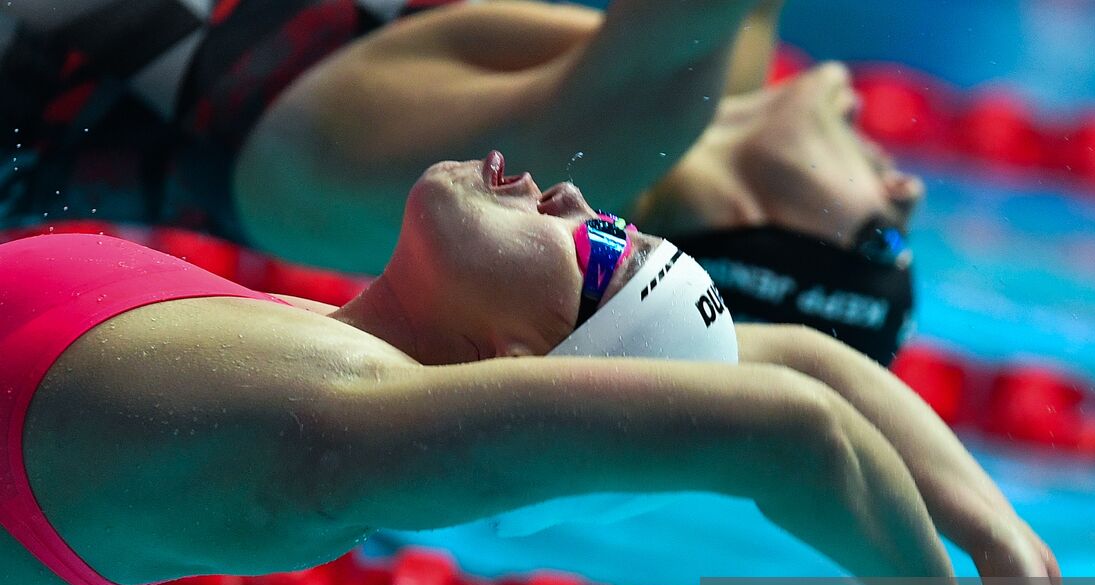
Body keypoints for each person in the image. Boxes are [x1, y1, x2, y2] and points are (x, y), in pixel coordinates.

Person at [0, 152, 1095, 585]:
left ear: (525, 367)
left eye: (598, 251)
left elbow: (789, 424)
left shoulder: (320, 426)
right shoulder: (322, 348)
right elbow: (805, 359)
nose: (574, 199)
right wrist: (1006, 545)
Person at [0, 0, 921, 361]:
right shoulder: (676, 107)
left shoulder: (607, 137)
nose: (909, 193)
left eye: (879, 240)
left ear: (764, 243)